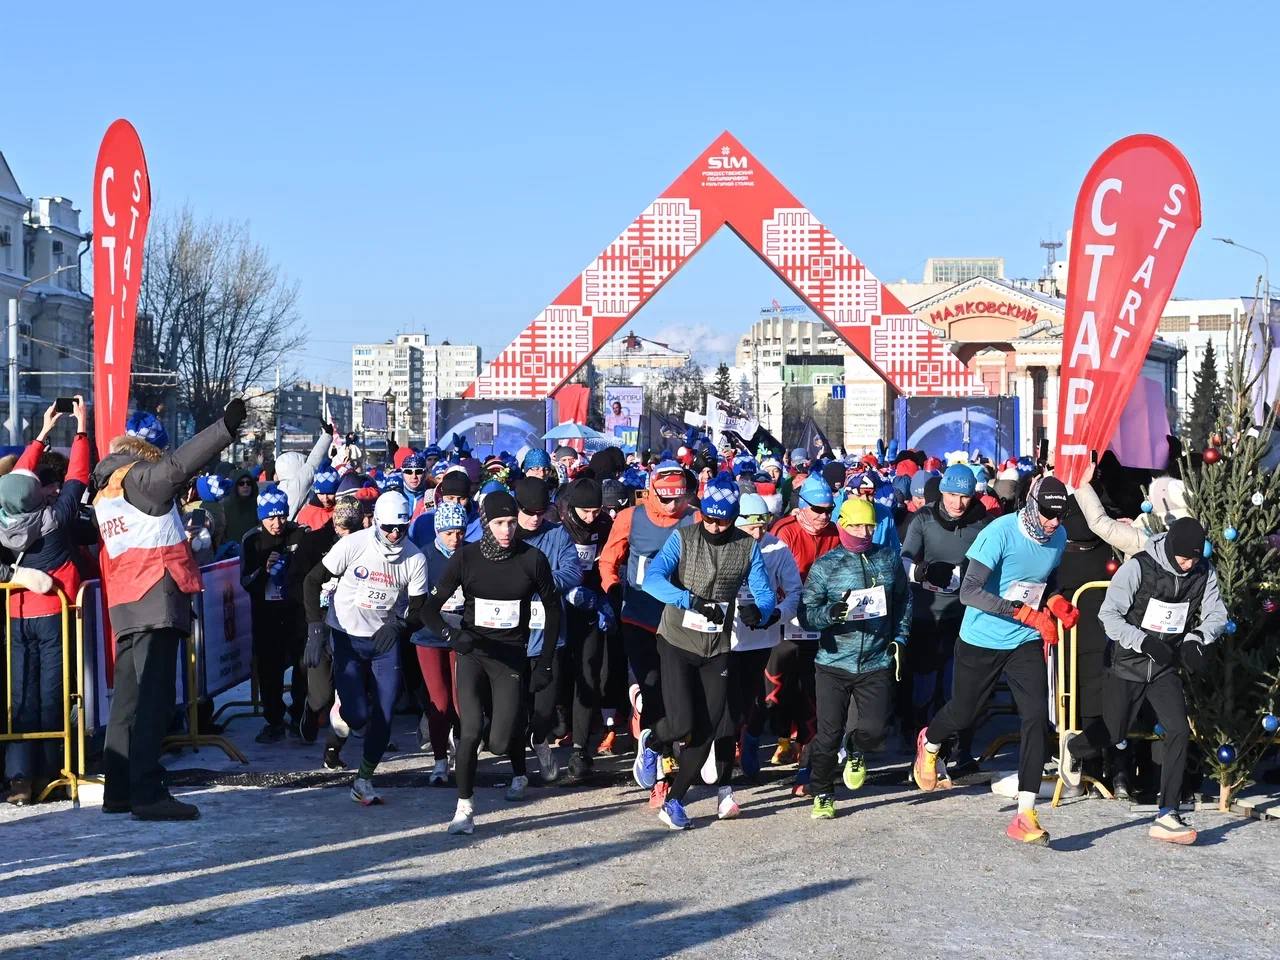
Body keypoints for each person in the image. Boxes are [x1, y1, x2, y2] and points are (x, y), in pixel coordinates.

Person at [94, 399, 243, 820]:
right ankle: (148, 792)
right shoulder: (142, 477)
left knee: (127, 700)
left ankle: (119, 790)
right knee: (153, 698)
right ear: (150, 450)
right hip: (155, 597)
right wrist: (224, 428)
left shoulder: (107, 485)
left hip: (127, 600)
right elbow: (177, 467)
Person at [912, 476, 1077, 845]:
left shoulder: (1059, 536)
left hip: (1024, 641)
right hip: (982, 639)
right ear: (1032, 506)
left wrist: (1055, 602)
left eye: (1060, 516)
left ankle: (1025, 814)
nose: (1053, 522)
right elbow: (969, 592)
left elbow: (1047, 580)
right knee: (964, 713)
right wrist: (1023, 612)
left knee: (1036, 718)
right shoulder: (1000, 533)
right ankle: (931, 742)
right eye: (1047, 514)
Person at [1061, 518, 1226, 844]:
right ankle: (1074, 747)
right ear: (1170, 549)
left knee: (1179, 730)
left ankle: (1167, 813)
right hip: (1127, 662)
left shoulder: (1204, 572)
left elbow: (1217, 614)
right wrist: (1143, 642)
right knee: (1114, 731)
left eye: (1193, 559)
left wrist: (1197, 638)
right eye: (1183, 559)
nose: (1188, 566)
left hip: (1165, 666)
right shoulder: (1139, 567)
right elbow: (1108, 615)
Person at [633, 474, 776, 829]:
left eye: (722, 521)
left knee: (708, 726)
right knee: (682, 722)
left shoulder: (747, 547)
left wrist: (760, 612)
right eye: (709, 518)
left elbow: (765, 593)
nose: (714, 526)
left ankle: (675, 801)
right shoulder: (683, 538)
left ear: (734, 518)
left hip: (717, 647)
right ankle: (653, 740)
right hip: (677, 640)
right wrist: (689, 600)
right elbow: (653, 579)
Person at [420, 490, 562, 835]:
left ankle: (504, 742)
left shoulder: (532, 559)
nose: (506, 530)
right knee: (470, 732)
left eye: (511, 522)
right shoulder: (466, 558)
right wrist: (453, 636)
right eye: (499, 523)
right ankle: (464, 808)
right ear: (485, 523)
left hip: (510, 658)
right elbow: (428, 610)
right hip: (473, 655)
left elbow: (553, 610)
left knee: (499, 742)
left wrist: (544, 662)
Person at [302, 491, 429, 805]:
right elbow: (311, 581)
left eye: (401, 527)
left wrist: (399, 626)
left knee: (385, 714)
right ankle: (342, 715)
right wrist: (315, 626)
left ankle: (363, 780)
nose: (395, 534)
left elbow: (419, 610)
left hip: (384, 642)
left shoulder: (414, 558)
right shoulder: (353, 544)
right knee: (357, 715)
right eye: (389, 528)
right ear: (376, 524)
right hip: (347, 636)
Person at [0, 398, 90, 804]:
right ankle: (52, 770)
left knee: (20, 696)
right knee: (53, 693)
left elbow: (17, 481)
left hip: (16, 614)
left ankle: (18, 778)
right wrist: (81, 427)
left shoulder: (4, 520)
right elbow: (78, 477)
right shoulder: (54, 520)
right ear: (39, 495)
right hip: (54, 614)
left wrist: (41, 433)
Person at [801, 498, 911, 819]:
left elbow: (904, 601)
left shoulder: (887, 558)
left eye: (870, 526)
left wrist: (900, 639)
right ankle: (822, 793)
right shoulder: (826, 566)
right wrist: (829, 614)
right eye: (858, 526)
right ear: (843, 526)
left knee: (876, 730)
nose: (865, 532)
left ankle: (855, 748)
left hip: (876, 661)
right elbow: (806, 614)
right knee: (828, 735)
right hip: (833, 663)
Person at [598, 460, 698, 804]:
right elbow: (609, 560)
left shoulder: (694, 518)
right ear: (652, 491)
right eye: (666, 498)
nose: (672, 505)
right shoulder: (631, 517)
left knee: (678, 693)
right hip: (639, 618)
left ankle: (662, 745)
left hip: (679, 620)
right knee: (654, 689)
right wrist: (612, 588)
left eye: (678, 498)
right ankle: (660, 772)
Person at [899, 464, 992, 765]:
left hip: (966, 616)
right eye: (952, 495)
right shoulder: (923, 519)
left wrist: (974, 572)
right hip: (927, 614)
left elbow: (998, 563)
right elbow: (903, 561)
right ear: (942, 492)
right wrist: (923, 571)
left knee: (960, 685)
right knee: (924, 686)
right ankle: (919, 739)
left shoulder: (983, 524)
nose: (958, 503)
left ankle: (960, 747)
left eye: (964, 497)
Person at [716, 493, 800, 793]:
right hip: (725, 638)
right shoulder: (720, 545)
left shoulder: (777, 548)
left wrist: (776, 614)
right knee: (726, 701)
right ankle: (722, 751)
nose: (758, 533)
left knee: (758, 697)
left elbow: (795, 592)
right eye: (751, 527)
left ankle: (750, 738)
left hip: (762, 638)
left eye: (763, 526)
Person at [509, 476, 583, 796]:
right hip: (510, 637)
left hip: (549, 636)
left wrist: (539, 581)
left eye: (541, 512)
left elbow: (573, 572)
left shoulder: (557, 534)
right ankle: (518, 772)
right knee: (513, 710)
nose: (535, 518)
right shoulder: (503, 532)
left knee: (544, 708)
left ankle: (539, 740)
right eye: (529, 512)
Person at [766, 473, 839, 790]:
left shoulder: (835, 534)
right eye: (818, 510)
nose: (824, 516)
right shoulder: (784, 530)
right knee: (778, 689)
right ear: (802, 506)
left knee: (812, 692)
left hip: (818, 624)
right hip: (784, 623)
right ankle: (778, 737)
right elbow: (766, 576)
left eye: (829, 510)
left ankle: (807, 762)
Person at [556, 477, 616, 782]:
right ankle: (558, 721)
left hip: (591, 604)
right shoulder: (560, 527)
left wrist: (605, 598)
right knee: (558, 672)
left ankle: (580, 749)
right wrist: (566, 590)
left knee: (588, 671)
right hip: (559, 606)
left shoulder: (604, 525)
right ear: (572, 509)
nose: (591, 517)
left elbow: (608, 561)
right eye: (585, 512)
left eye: (596, 511)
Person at [240, 485, 310, 742]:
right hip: (267, 615)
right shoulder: (252, 540)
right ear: (261, 517)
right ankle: (274, 720)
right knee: (270, 670)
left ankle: (300, 714)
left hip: (296, 612)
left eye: (281, 516)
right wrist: (264, 570)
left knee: (303, 666)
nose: (277, 523)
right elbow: (246, 581)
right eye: (270, 518)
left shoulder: (300, 534)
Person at [409, 501, 469, 784]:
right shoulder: (423, 557)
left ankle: (461, 752)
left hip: (462, 634)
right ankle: (439, 761)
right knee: (440, 702)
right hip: (429, 636)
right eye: (448, 533)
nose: (455, 538)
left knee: (461, 700)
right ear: (437, 532)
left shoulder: (470, 554)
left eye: (459, 532)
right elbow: (415, 602)